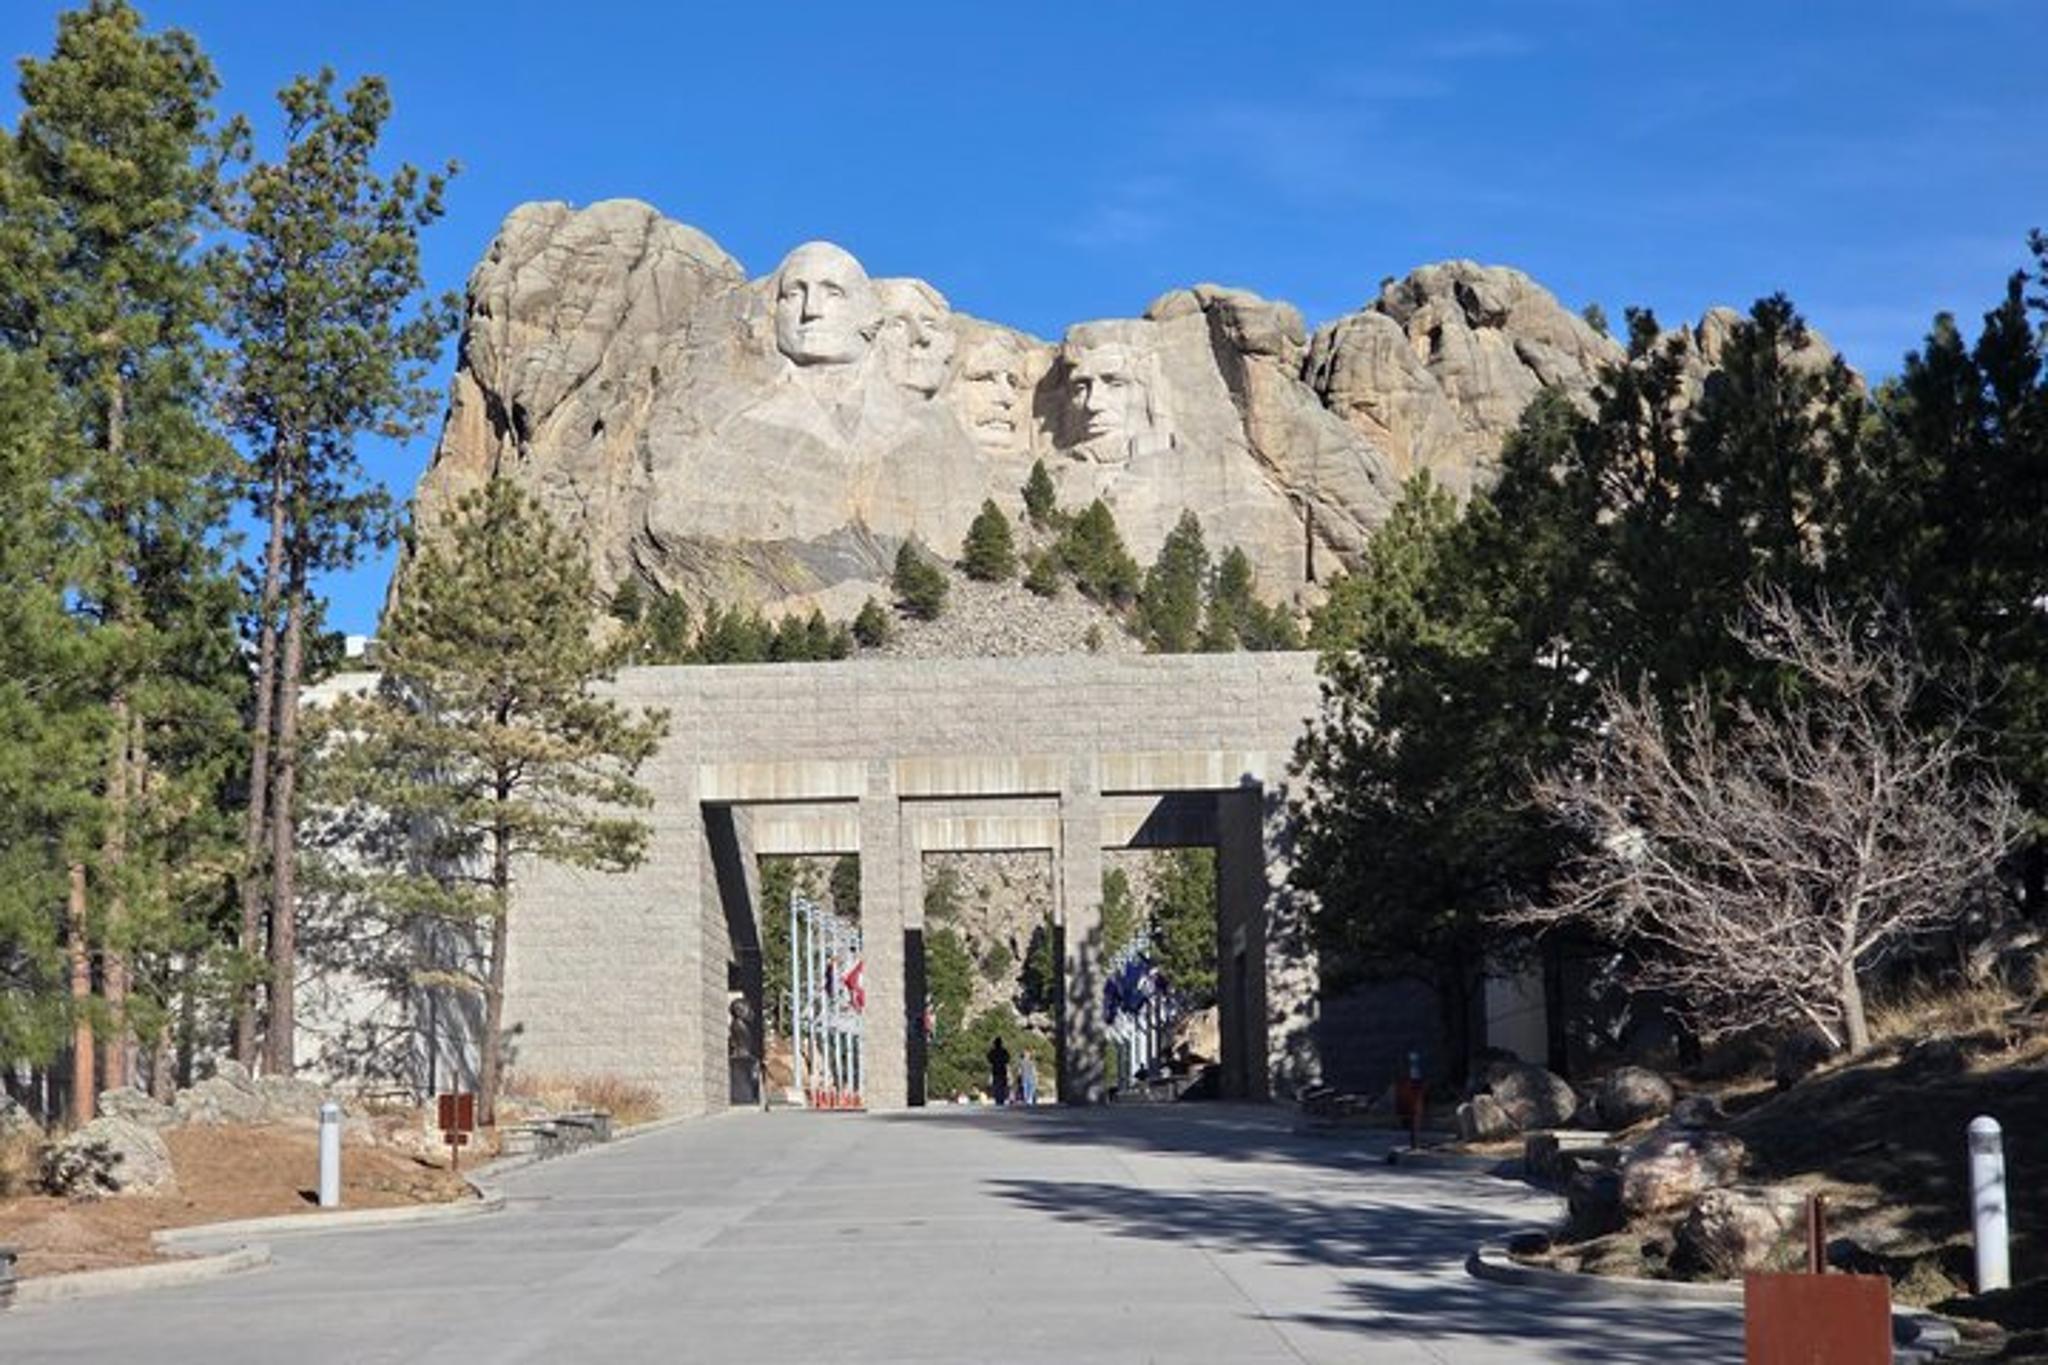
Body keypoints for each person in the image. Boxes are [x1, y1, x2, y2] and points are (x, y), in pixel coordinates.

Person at [987, 1035, 1011, 1106]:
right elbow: (1007, 1059)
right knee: (1001, 1085)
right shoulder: (1003, 1051)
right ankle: (1001, 1099)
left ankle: (998, 1099)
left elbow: (989, 1058)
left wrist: (995, 1061)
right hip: (1002, 1070)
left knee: (997, 1085)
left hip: (996, 1070)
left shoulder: (993, 1051)